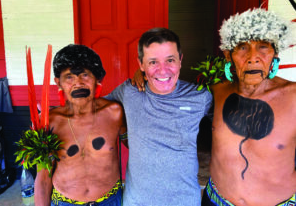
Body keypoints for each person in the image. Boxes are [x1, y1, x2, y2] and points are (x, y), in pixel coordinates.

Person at [105, 27, 213, 206]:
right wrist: (123, 131)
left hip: (184, 201)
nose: (163, 71)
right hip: (137, 202)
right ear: (141, 64)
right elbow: (97, 112)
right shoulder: (129, 91)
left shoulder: (200, 96)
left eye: (170, 60)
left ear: (180, 60)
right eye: (153, 62)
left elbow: (229, 123)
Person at [202, 8, 296, 206]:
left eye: (263, 47)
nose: (253, 57)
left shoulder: (293, 97)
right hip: (216, 200)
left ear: (275, 54)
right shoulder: (216, 93)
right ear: (228, 55)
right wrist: (143, 75)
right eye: (242, 47)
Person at [34, 44, 127, 206]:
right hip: (65, 202)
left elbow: (140, 150)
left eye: (85, 75)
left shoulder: (114, 113)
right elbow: (43, 178)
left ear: (97, 79)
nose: (78, 83)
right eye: (69, 77)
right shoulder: (49, 123)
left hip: (110, 201)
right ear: (58, 82)